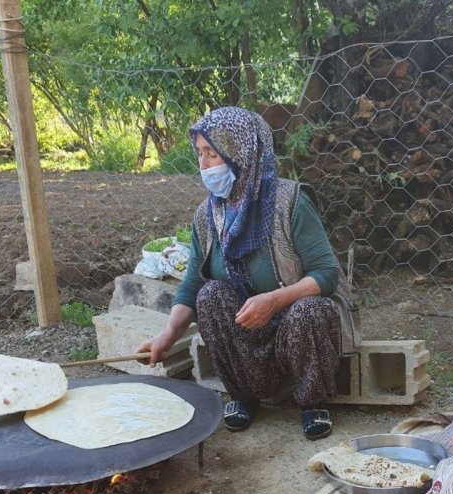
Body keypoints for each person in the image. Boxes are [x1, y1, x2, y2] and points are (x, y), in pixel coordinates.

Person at [138, 107, 359, 439]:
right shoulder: (207, 215)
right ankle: (244, 395)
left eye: (212, 154)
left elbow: (326, 273)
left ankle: (312, 402)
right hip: (247, 327)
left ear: (242, 152)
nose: (203, 164)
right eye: (200, 153)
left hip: (293, 324)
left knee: (311, 309)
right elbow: (194, 282)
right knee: (210, 296)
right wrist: (166, 336)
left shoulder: (290, 202)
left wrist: (273, 300)